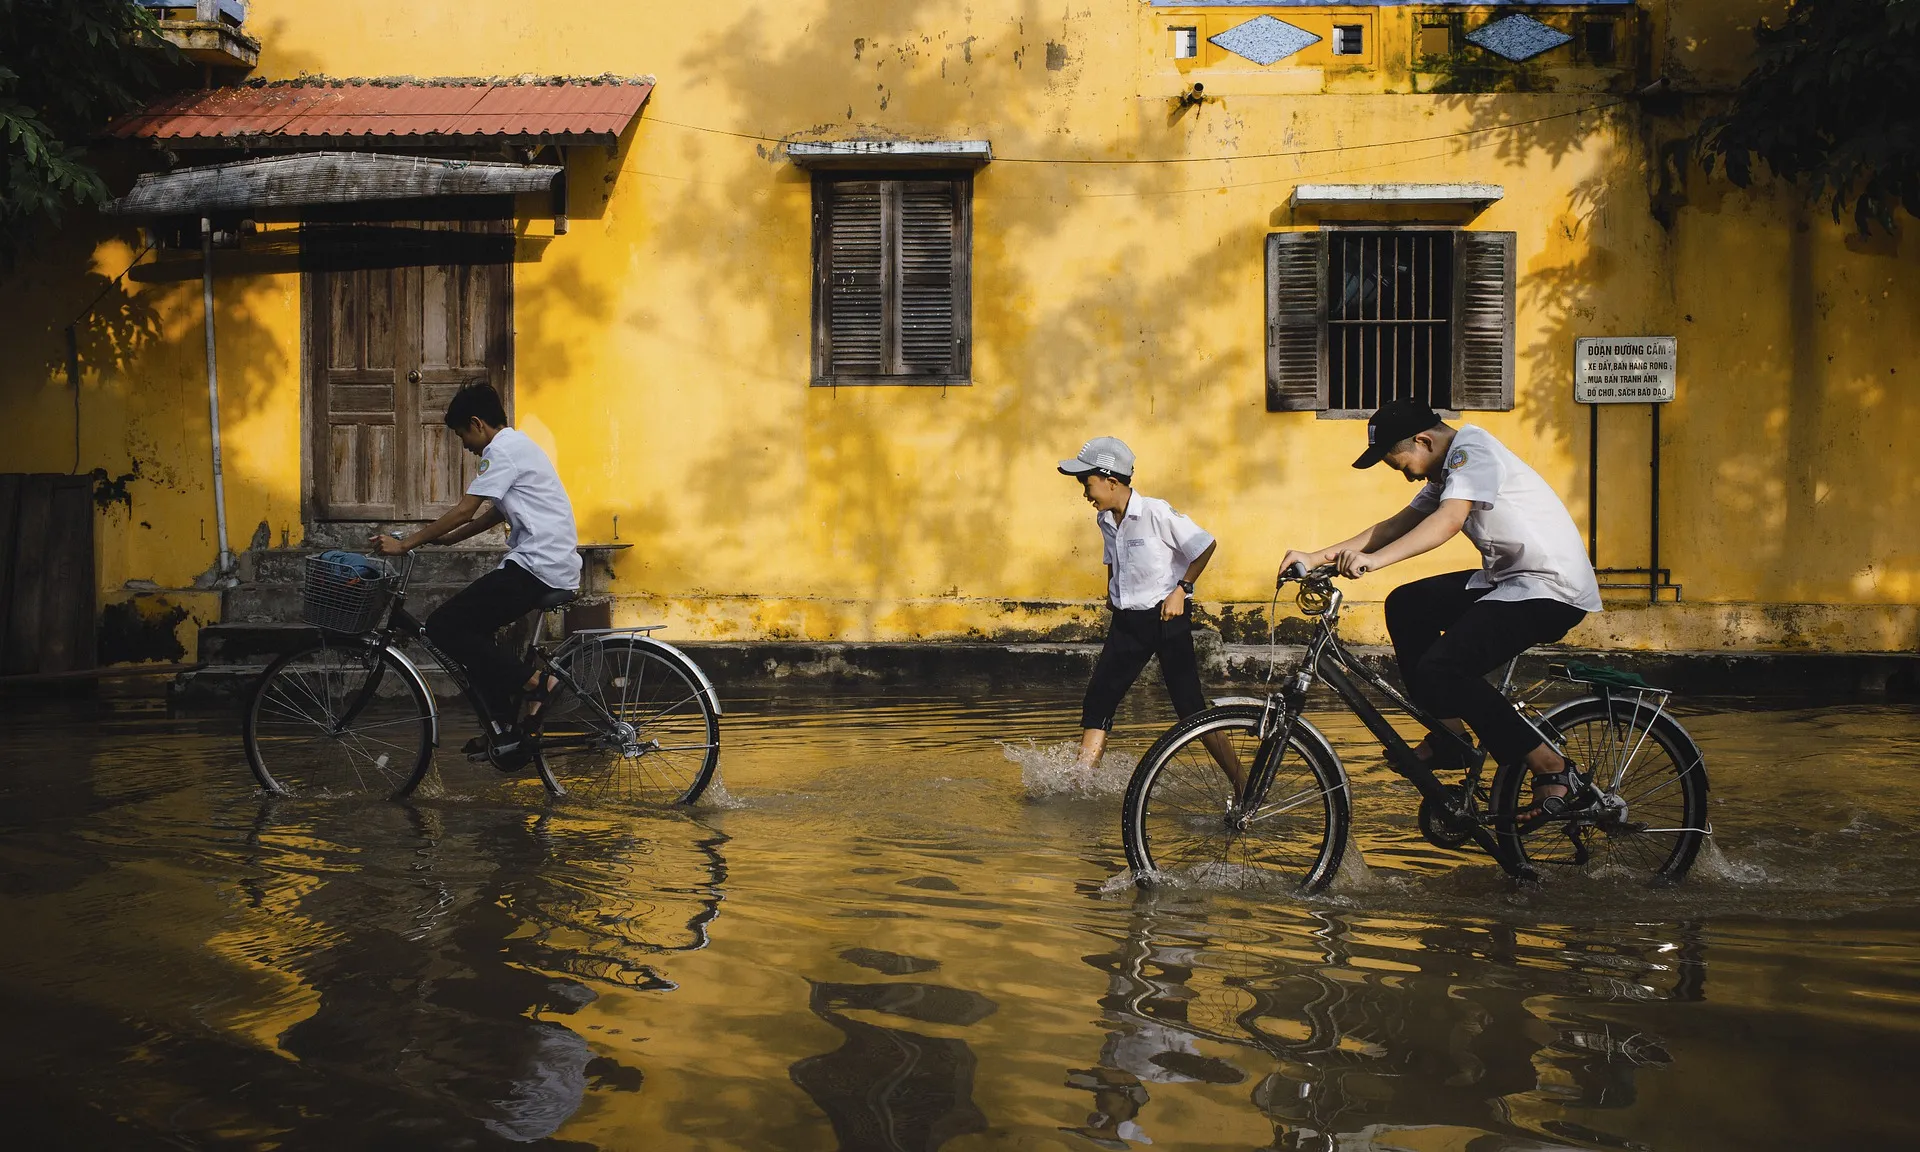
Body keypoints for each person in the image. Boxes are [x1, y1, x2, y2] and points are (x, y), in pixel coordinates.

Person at [1280, 400, 1602, 815]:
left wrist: (1375, 562)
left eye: (1402, 466)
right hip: (1510, 581)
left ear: (1424, 440)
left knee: (1445, 667)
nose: (1407, 477)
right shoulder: (1448, 466)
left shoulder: (1473, 451)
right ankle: (1449, 736)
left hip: (1550, 589)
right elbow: (1397, 525)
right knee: (1407, 605)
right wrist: (1317, 556)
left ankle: (1549, 767)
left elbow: (1448, 521)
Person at [372, 382, 581, 766]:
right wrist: (450, 540)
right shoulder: (519, 446)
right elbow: (494, 513)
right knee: (474, 634)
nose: (465, 445)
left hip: (538, 565)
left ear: (477, 423)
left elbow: (466, 508)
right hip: (546, 562)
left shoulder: (500, 452)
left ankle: (538, 685)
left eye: (462, 435)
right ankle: (503, 727)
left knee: (443, 626)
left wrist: (407, 544)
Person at [1059, 437, 1242, 791]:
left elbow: (1204, 545)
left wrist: (1182, 590)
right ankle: (1081, 786)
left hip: (1166, 619)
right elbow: (1113, 558)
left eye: (1087, 483)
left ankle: (1243, 783)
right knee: (1098, 700)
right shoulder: (1105, 518)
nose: (1085, 493)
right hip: (1127, 625)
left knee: (1191, 709)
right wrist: (1113, 593)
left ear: (1111, 481)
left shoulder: (1156, 512)